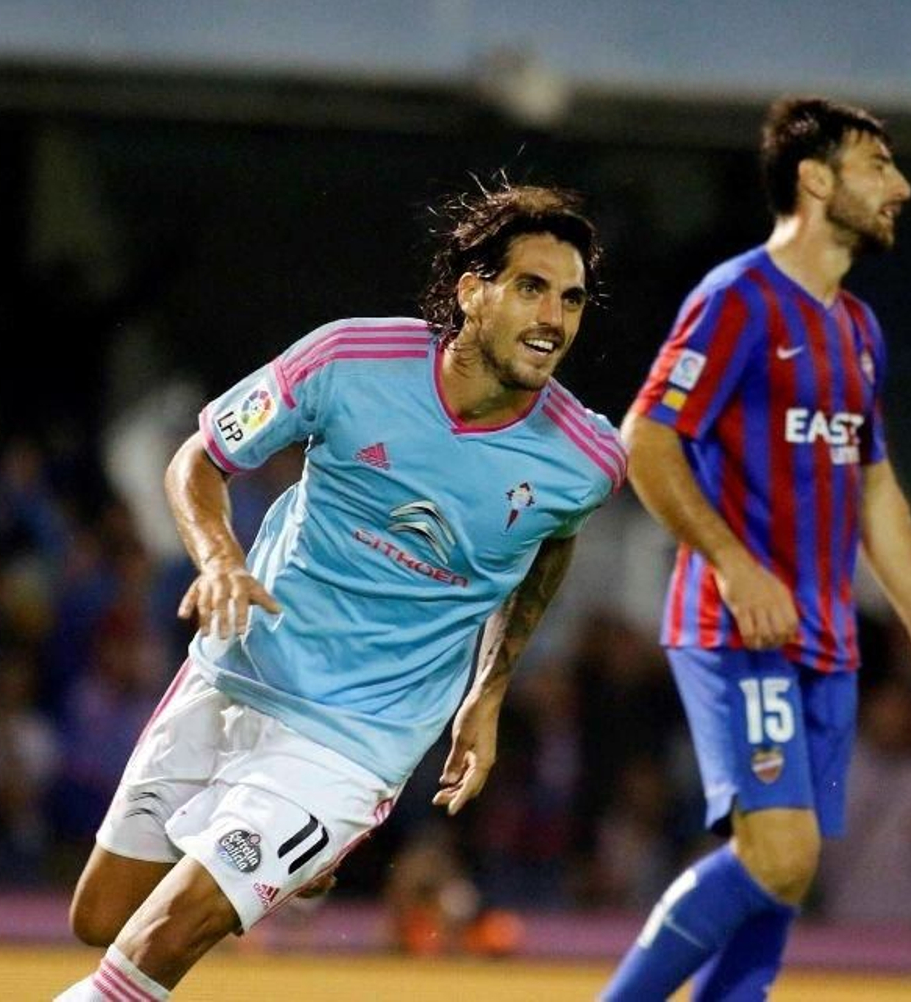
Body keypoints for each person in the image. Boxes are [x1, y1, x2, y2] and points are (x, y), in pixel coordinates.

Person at [55, 181, 625, 1001]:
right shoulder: (347, 361)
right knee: (103, 916)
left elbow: (547, 548)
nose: (554, 319)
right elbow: (199, 459)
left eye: (571, 299)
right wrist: (220, 560)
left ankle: (302, 841)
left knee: (160, 939)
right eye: (531, 287)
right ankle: (297, 864)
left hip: (358, 736)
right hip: (237, 669)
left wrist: (488, 690)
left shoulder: (585, 459)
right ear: (472, 290)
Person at [603, 96, 911, 1001]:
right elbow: (645, 440)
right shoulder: (737, 298)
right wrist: (735, 565)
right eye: (878, 165)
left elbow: (875, 487)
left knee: (782, 878)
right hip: (738, 628)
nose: (903, 186)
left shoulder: (858, 329)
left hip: (831, 645)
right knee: (781, 851)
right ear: (814, 178)